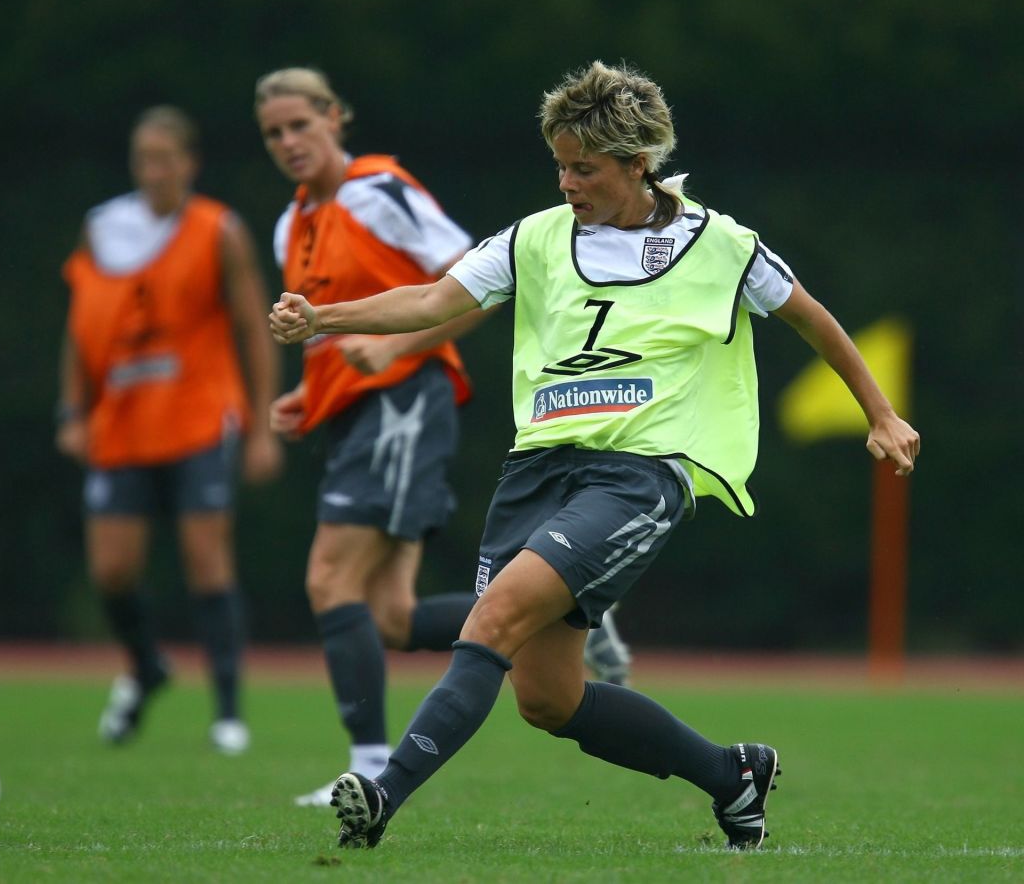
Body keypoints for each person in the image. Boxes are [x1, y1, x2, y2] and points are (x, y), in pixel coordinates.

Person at [270, 60, 920, 849]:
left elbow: (812, 317)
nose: (566, 182)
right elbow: (433, 300)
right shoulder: (535, 237)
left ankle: (382, 794)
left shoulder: (719, 244)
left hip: (639, 474)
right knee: (548, 699)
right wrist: (324, 318)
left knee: (492, 618)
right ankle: (733, 775)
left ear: (637, 164)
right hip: (536, 471)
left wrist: (881, 413)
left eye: (584, 168)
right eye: (560, 165)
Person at [254, 67, 493, 806]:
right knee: (389, 616)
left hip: (406, 400)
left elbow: (481, 284)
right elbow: (334, 329)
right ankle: (556, 615)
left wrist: (396, 351)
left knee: (329, 579)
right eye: (273, 133)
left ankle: (366, 767)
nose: (289, 142)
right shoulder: (291, 224)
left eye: (301, 124)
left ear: (335, 117)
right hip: (357, 412)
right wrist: (309, 392)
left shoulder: (378, 190)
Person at [57, 105, 283, 755]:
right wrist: (71, 410)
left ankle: (228, 713)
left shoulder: (218, 230)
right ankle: (147, 666)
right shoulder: (103, 227)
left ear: (190, 163)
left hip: (198, 417)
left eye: (166, 158)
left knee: (207, 561)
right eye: (144, 159)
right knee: (112, 570)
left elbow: (253, 326)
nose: (154, 171)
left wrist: (262, 425)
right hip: (122, 423)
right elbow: (79, 327)